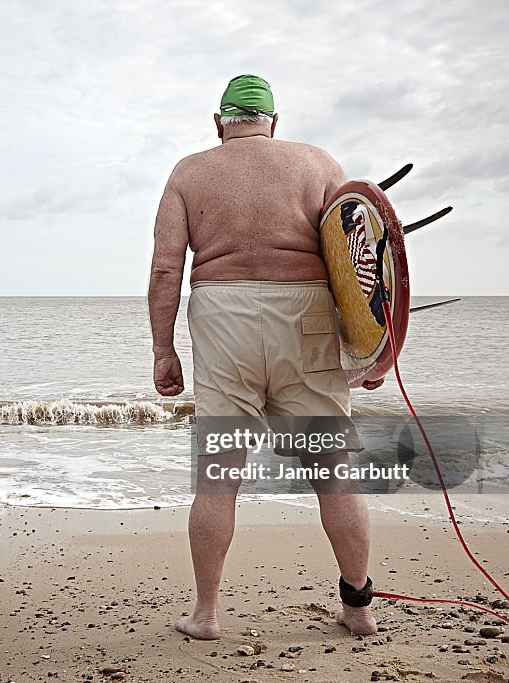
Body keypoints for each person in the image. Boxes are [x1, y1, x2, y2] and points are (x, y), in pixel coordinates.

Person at [147, 74, 379, 640]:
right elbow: (362, 260)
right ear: (274, 122)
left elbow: (165, 270)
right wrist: (373, 346)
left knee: (219, 477)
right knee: (333, 474)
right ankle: (358, 607)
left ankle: (205, 615)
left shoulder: (189, 172)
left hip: (222, 315)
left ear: (218, 122)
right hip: (307, 313)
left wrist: (163, 350)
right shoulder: (318, 163)